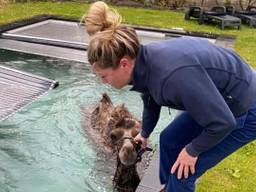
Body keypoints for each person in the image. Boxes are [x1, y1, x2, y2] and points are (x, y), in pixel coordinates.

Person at [83, 2, 256, 191]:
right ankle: (170, 188)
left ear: (124, 64)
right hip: (218, 99)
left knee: (182, 173)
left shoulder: (173, 77)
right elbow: (150, 99)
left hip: (243, 107)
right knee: (168, 140)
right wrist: (145, 133)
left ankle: (176, 186)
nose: (103, 82)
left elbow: (224, 123)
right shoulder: (143, 63)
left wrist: (192, 151)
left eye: (104, 76)